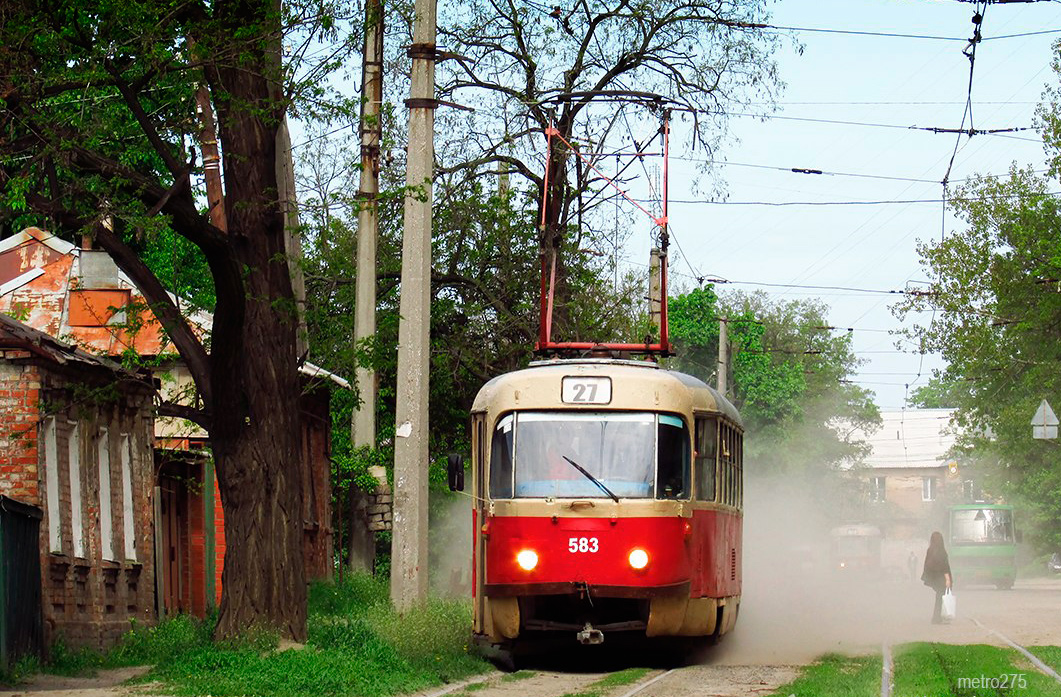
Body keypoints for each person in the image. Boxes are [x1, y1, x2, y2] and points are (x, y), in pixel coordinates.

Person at [921, 531, 953, 624]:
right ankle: (937, 617)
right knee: (941, 597)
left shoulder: (930, 550)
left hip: (934, 578)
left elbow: (927, 565)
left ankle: (937, 617)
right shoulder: (941, 551)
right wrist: (948, 579)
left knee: (939, 597)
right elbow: (945, 567)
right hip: (942, 578)